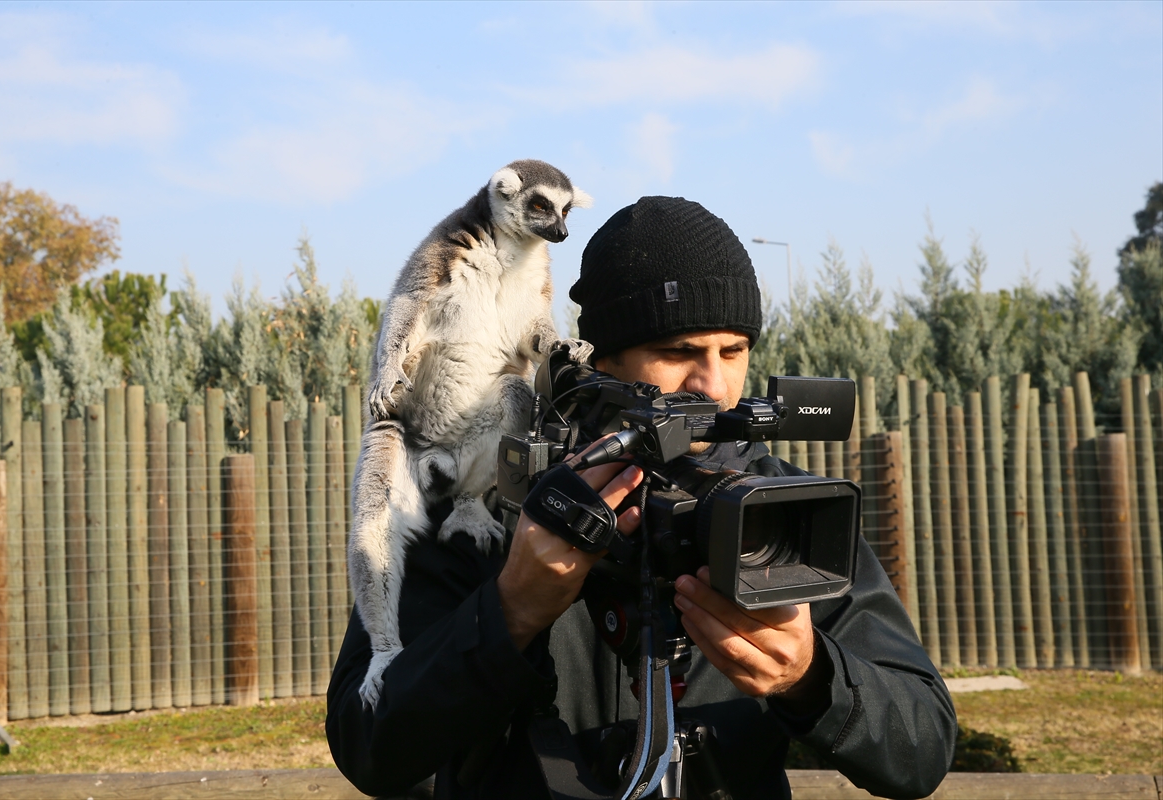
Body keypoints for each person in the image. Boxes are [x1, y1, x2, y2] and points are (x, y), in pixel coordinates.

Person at [326, 196, 957, 799]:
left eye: (733, 351)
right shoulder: (486, 504)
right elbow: (367, 744)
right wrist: (511, 610)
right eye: (678, 352)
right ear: (602, 363)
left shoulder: (782, 509)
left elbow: (922, 746)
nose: (712, 385)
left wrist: (811, 678)